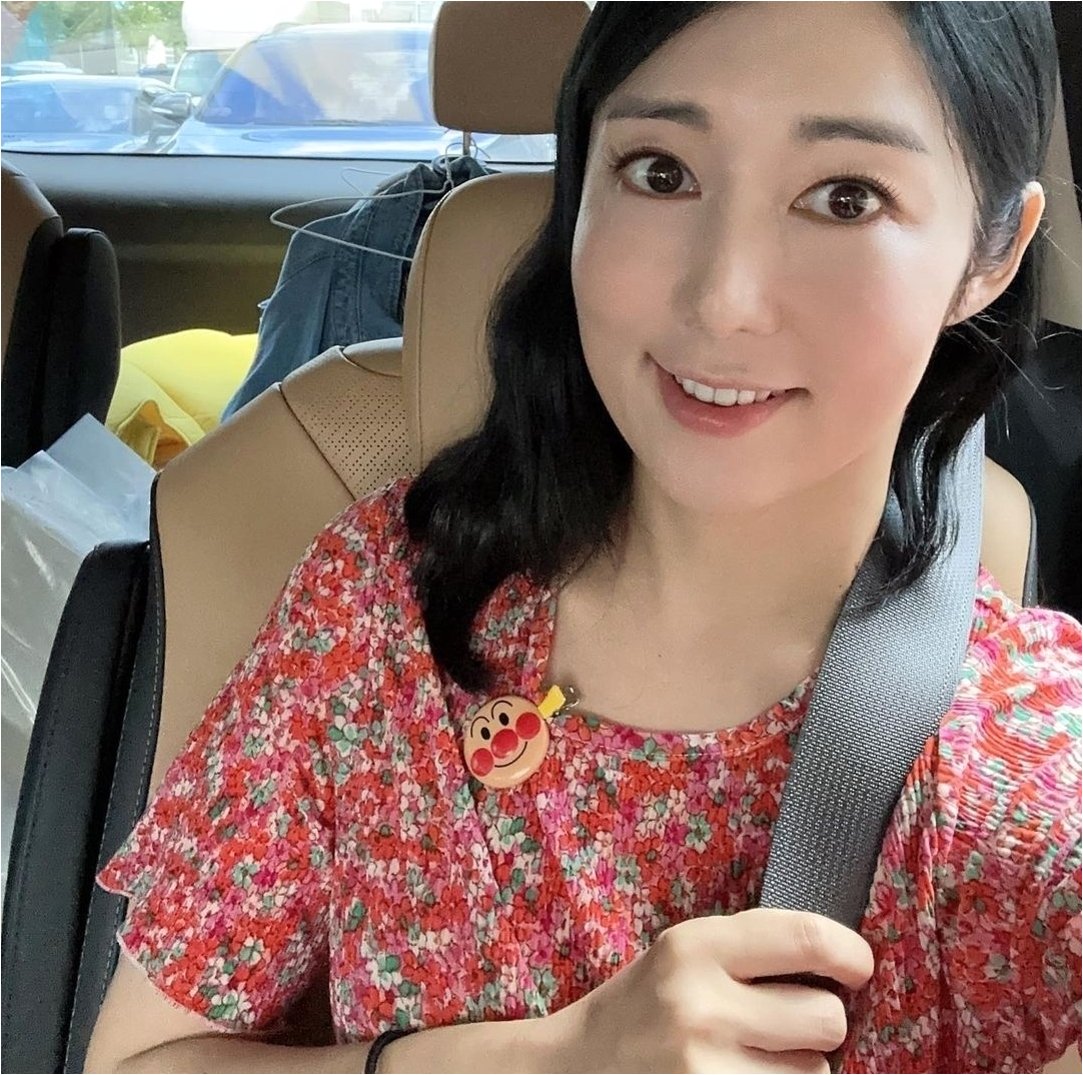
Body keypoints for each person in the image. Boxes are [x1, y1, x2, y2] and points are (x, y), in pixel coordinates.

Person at [86, 3, 1080, 1072]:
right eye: (660, 172)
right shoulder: (383, 607)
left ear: (991, 254)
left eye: (847, 198)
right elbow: (141, 1062)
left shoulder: (1024, 752)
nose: (723, 299)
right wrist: (547, 1058)